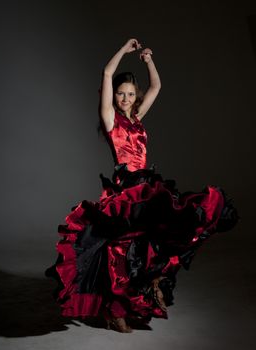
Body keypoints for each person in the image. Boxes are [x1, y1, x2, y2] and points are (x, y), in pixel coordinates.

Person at [45, 39, 238, 333]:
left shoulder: (137, 117)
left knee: (164, 235)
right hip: (126, 190)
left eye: (130, 94)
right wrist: (124, 49)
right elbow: (108, 74)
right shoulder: (111, 119)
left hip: (147, 186)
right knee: (122, 248)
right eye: (121, 94)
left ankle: (148, 287)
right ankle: (114, 309)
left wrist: (148, 60)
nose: (124, 98)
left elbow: (157, 87)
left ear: (135, 97)